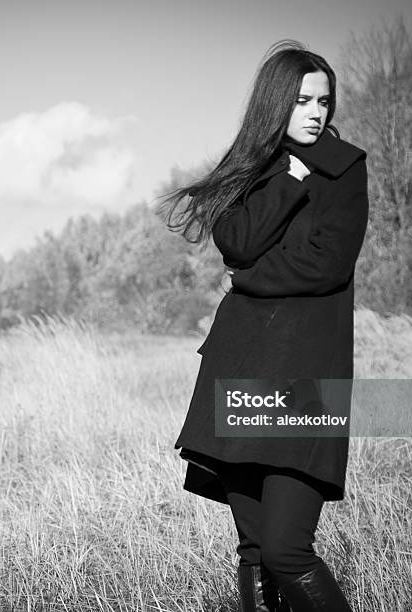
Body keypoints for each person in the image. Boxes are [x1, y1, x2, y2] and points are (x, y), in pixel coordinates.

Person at [155, 40, 369, 612]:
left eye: (324, 101)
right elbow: (238, 240)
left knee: (286, 549)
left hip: (306, 376)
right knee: (253, 547)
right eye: (302, 101)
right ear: (277, 104)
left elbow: (326, 265)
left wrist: (247, 277)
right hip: (243, 366)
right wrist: (292, 177)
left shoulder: (346, 168)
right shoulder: (252, 170)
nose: (317, 112)